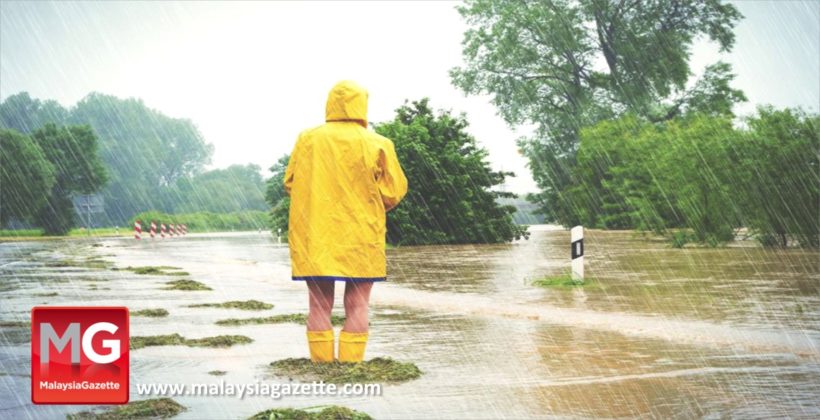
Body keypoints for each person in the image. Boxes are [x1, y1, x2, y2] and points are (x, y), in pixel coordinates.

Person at [284, 80, 407, 363]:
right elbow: (394, 191)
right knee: (358, 303)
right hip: (362, 234)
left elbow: (290, 182)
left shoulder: (307, 139)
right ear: (362, 105)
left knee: (318, 304)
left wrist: (318, 196)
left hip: (315, 233)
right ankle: (352, 368)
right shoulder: (378, 142)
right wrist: (369, 203)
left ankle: (322, 369)